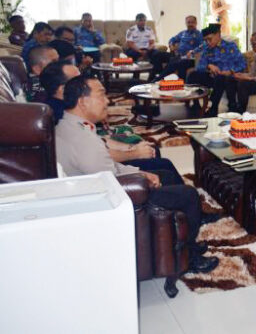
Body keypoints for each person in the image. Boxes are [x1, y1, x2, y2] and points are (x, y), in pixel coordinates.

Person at [55, 75, 219, 274]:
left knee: (164, 173)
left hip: (110, 184)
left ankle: (185, 232)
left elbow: (109, 166)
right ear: (82, 101)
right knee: (188, 195)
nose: (107, 101)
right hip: (118, 197)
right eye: (101, 95)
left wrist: (141, 172)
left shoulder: (69, 125)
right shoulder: (82, 139)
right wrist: (141, 177)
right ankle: (188, 258)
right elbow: (111, 180)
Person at [186, 24, 246, 116]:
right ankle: (196, 105)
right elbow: (199, 66)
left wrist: (230, 71)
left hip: (227, 78)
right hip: (211, 77)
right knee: (192, 75)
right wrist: (209, 66)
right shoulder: (207, 48)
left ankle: (213, 108)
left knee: (220, 78)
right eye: (205, 40)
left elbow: (242, 64)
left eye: (210, 39)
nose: (208, 42)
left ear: (218, 35)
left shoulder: (231, 46)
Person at [153, 15, 203, 81]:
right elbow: (172, 39)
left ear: (196, 23)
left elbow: (202, 46)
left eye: (192, 22)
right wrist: (171, 46)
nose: (190, 24)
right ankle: (156, 74)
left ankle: (158, 79)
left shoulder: (198, 34)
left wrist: (193, 51)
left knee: (175, 63)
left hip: (190, 58)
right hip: (177, 55)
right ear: (186, 23)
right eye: (188, 22)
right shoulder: (182, 33)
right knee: (157, 54)